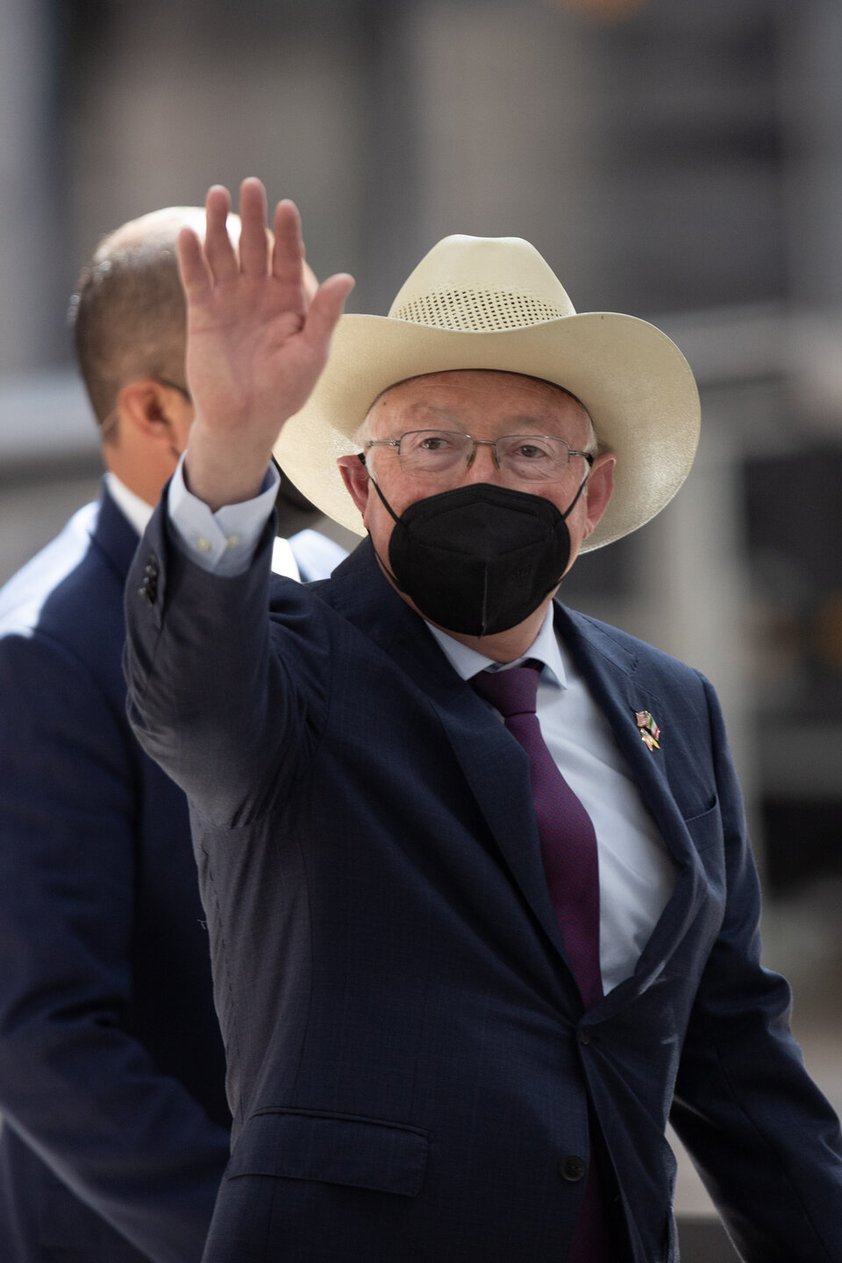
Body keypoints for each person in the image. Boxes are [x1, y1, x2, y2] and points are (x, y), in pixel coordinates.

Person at [123, 179, 842, 1263]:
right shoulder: (288, 668)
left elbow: (732, 1053)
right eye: (433, 445)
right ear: (362, 487)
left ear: (589, 497)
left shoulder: (670, 709)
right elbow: (188, 697)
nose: (478, 477)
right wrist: (227, 438)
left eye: (525, 452)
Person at [0, 204, 345, 1263]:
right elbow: (39, 1036)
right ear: (153, 410)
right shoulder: (44, 651)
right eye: (260, 376)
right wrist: (249, 1237)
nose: (302, 409)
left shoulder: (329, 581)